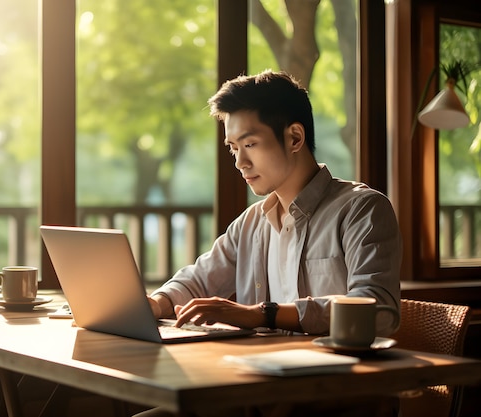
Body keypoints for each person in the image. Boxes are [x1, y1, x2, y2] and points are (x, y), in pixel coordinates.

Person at [141, 70, 402, 417]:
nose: (239, 162)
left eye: (249, 144)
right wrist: (156, 303)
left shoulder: (361, 209)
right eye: (233, 148)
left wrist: (259, 314)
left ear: (294, 137)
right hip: (257, 391)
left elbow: (378, 310)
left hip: (336, 399)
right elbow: (199, 279)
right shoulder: (252, 222)